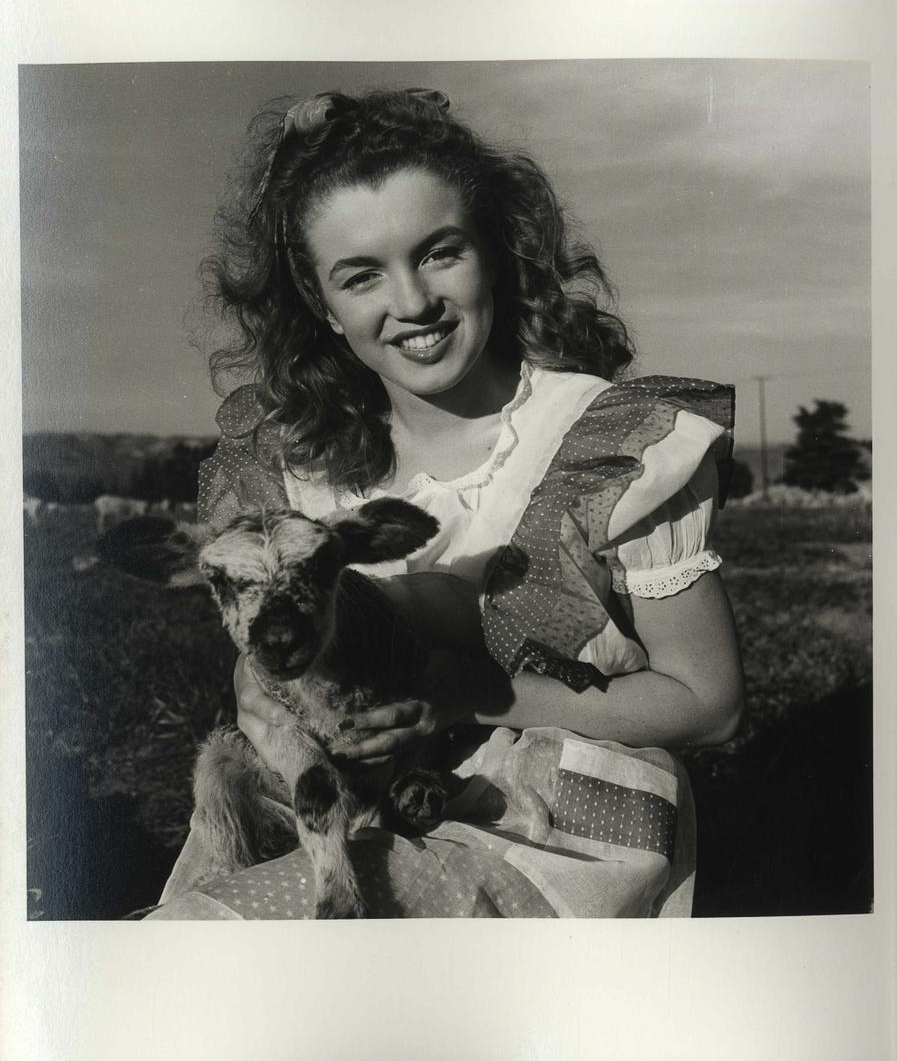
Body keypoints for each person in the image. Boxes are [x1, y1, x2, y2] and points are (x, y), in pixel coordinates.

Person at [147, 87, 744, 920]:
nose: (413, 303)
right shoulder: (296, 461)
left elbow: (710, 704)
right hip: (338, 800)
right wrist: (259, 696)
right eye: (361, 275)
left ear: (494, 253)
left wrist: (467, 695)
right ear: (322, 305)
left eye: (439, 253)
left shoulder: (599, 444)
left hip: (544, 812)